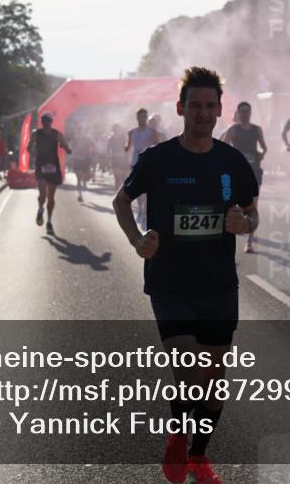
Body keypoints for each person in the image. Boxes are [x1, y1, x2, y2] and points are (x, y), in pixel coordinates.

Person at [112, 67, 259, 484]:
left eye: (210, 106)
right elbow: (121, 202)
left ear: (219, 110)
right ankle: (177, 435)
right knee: (189, 374)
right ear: (181, 109)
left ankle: (198, 456)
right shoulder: (158, 160)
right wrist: (137, 239)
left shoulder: (232, 162)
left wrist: (244, 224)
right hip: (170, 284)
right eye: (195, 105)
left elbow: (252, 212)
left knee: (213, 388)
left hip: (218, 285)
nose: (203, 113)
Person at [222, 101, 268, 253]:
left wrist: (261, 154)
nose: (245, 113)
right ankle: (229, 241)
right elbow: (222, 147)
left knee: (252, 206)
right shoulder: (233, 129)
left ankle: (249, 242)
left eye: (247, 111)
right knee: (233, 207)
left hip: (254, 171)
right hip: (236, 173)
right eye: (242, 111)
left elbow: (264, 146)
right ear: (238, 113)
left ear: (250, 112)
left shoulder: (257, 129)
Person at [27, 113, 72, 235]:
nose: (46, 124)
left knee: (51, 197)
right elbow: (28, 147)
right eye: (44, 122)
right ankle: (41, 208)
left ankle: (49, 222)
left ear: (51, 122)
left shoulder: (57, 134)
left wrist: (65, 148)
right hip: (41, 166)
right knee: (43, 195)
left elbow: (68, 149)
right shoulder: (35, 134)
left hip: (53, 167)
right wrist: (32, 151)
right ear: (42, 122)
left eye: (48, 122)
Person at [126, 108, 163, 227]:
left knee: (147, 191)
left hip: (148, 162)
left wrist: (152, 144)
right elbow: (128, 146)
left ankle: (145, 212)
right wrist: (124, 148)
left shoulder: (152, 131)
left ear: (146, 118)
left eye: (144, 117)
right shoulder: (132, 132)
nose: (142, 119)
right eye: (140, 117)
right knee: (137, 189)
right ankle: (140, 209)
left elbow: (157, 145)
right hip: (135, 162)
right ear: (137, 118)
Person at [70, 128, 94, 202]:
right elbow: (72, 150)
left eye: (82, 131)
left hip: (85, 160)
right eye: (79, 131)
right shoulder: (75, 140)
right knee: (78, 178)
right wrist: (72, 159)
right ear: (77, 132)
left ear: (84, 132)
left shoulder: (87, 140)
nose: (81, 133)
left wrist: (89, 153)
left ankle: (84, 183)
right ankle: (80, 195)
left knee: (85, 176)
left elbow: (92, 148)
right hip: (77, 160)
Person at [106, 123, 128, 190]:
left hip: (123, 159)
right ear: (113, 130)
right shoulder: (111, 138)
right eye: (115, 129)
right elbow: (108, 149)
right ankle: (117, 192)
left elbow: (128, 148)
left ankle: (123, 192)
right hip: (115, 159)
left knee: (123, 177)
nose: (116, 131)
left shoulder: (123, 138)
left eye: (118, 129)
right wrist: (109, 160)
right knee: (117, 177)